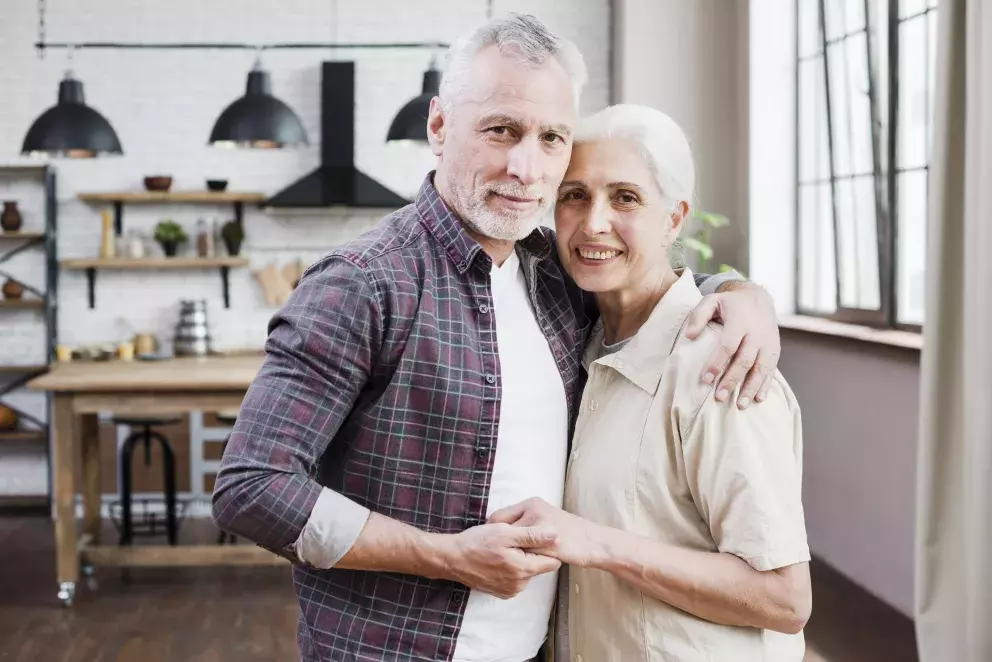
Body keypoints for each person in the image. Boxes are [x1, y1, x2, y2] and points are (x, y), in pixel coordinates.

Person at [212, 14, 781, 662]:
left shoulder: (554, 277)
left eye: (551, 138)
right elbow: (252, 486)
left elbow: (646, 279)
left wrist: (740, 294)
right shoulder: (365, 284)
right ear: (439, 127)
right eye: (501, 130)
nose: (524, 167)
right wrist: (446, 558)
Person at [490, 104, 811, 662]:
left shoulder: (719, 362)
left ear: (675, 218)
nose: (593, 223)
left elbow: (783, 597)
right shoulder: (578, 343)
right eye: (574, 195)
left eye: (626, 198)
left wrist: (591, 541)